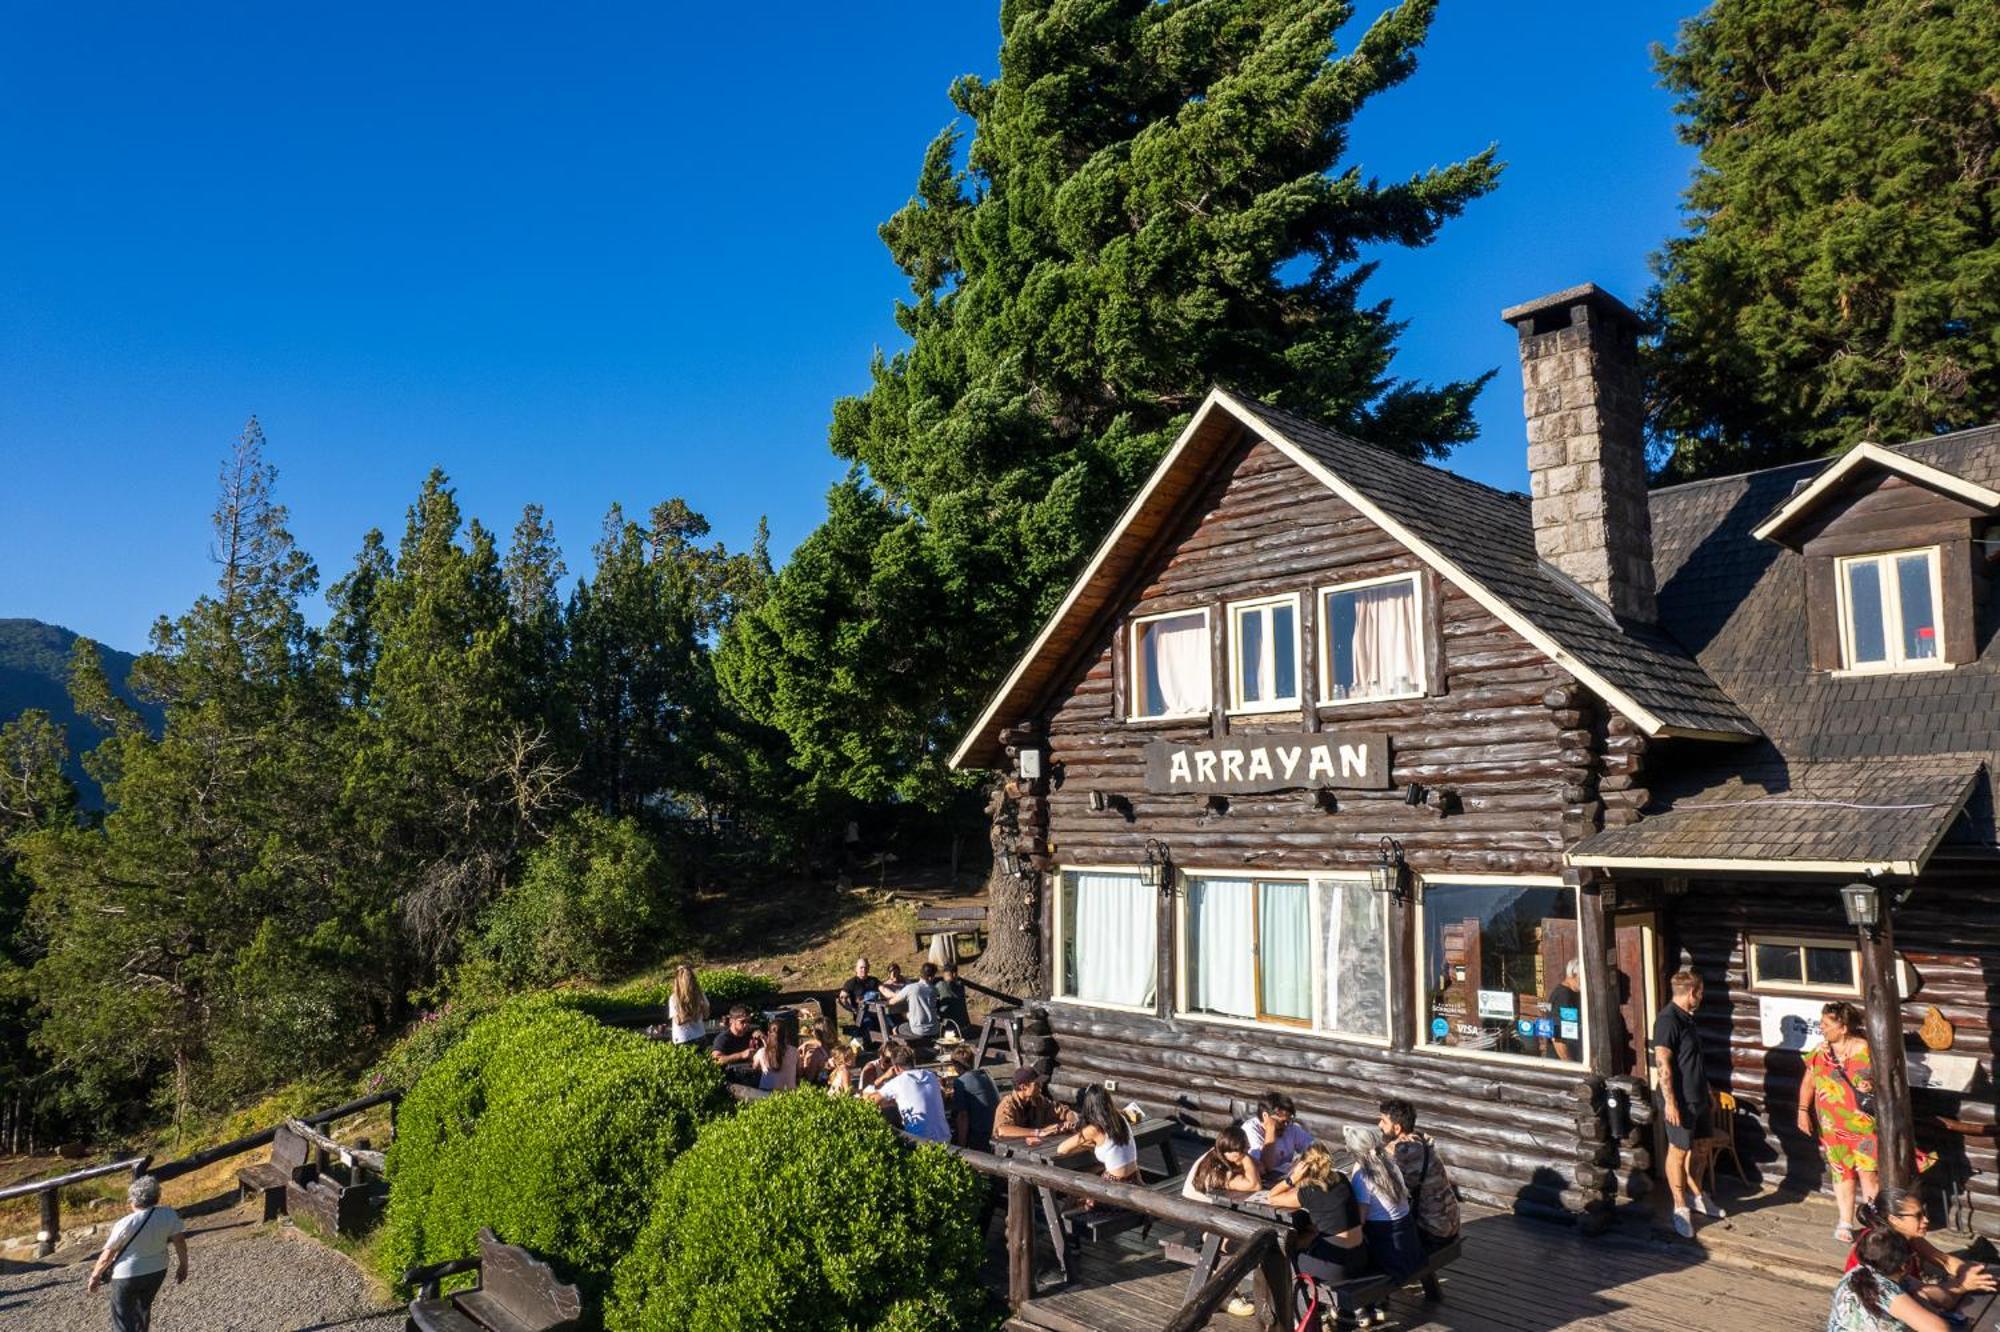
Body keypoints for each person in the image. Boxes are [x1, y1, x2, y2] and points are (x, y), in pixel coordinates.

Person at [1802, 1000, 1886, 1243]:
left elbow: (1885, 1082)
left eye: (1827, 1024)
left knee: (1868, 1174)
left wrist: (1872, 1087)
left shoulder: (1866, 1050)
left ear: (1843, 1027)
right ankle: (1845, 1221)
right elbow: (1809, 1081)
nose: (1822, 1028)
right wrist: (1802, 1110)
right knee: (1841, 1173)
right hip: (1832, 1125)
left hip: (1862, 1125)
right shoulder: (1820, 1051)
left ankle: (1874, 1221)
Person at [1847, 1188, 1997, 1314]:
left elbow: (1944, 1260)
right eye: (1918, 1216)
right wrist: (1963, 1285)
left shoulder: (1907, 1236)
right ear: (1894, 1220)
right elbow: (1919, 1297)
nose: (1926, 1220)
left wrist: (1971, 1273)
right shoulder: (1880, 1248)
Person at [1653, 968, 1722, 1237]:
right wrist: (1670, 1102)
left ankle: (1697, 1195)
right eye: (1701, 992)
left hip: (1698, 1096)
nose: (1702, 997)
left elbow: (1692, 1060)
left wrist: (1707, 1089)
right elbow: (1664, 1065)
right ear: (1692, 992)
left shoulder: (1689, 1019)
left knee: (1703, 1146)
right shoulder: (1668, 1020)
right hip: (1680, 1099)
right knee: (1678, 1149)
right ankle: (1679, 1207)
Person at [88, 1174, 187, 1332]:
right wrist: (183, 1265)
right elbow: (179, 1241)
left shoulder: (125, 1223)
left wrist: (95, 1276)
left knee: (122, 1318)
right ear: (156, 1196)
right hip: (157, 1270)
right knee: (142, 1311)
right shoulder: (169, 1214)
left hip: (127, 1274)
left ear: (134, 1200)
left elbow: (107, 1255)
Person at [1267, 1144, 1372, 1291]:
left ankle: (1301, 1306)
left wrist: (1292, 1179)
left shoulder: (1308, 1191)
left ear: (1303, 1167)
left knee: (1288, 1257)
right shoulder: (1341, 1179)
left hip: (1337, 1266)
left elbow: (1272, 1197)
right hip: (1360, 1258)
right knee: (1311, 1239)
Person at [1828, 1227, 1951, 1332]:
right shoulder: (1884, 1289)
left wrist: (1921, 1293)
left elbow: (1946, 1299)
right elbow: (1940, 1329)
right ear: (1905, 1264)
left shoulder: (1857, 1272)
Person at [1343, 1124, 1425, 1282]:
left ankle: (1366, 1302)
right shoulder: (1391, 1164)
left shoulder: (1362, 1175)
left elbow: (1360, 1219)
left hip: (1389, 1246)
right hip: (1408, 1239)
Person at [1379, 1097, 1461, 1248]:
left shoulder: (1402, 1150)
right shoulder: (1421, 1139)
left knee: (1377, 1224)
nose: (1379, 1125)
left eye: (1383, 1121)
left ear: (1397, 1128)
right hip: (1451, 1221)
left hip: (1433, 1230)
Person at [866, 1040, 951, 1143]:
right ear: (913, 1062)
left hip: (919, 1142)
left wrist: (883, 1078)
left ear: (896, 1067)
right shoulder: (931, 1076)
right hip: (945, 1138)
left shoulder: (898, 1082)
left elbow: (870, 1100)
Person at [1054, 1085, 1140, 1184]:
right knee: (1092, 1173)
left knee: (1077, 1184)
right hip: (1134, 1176)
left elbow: (1061, 1149)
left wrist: (1084, 1145)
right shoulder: (1120, 1118)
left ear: (1089, 1105)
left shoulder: (1094, 1129)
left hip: (1115, 1182)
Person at [992, 1065, 1078, 1145]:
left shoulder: (1038, 1100)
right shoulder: (1007, 1104)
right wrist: (1038, 1132)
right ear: (1023, 1087)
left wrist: (1070, 1122)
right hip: (1008, 1152)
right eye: (1036, 1084)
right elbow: (1002, 1130)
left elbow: (1067, 1112)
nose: (1041, 1086)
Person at [1242, 1090, 1312, 1183]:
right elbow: (1266, 1167)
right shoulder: (1250, 1130)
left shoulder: (1289, 1127)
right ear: (1265, 1116)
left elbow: (1313, 1147)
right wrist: (1271, 1129)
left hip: (1284, 1179)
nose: (1285, 1126)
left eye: (1288, 1121)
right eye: (1281, 1122)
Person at [1182, 1125, 1260, 1200]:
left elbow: (1263, 1168)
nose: (1249, 1148)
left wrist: (1243, 1155)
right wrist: (1245, 1157)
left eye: (1247, 1145)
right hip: (1196, 1207)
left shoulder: (1221, 1153)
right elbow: (1254, 1185)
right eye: (1244, 1147)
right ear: (1230, 1151)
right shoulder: (1218, 1170)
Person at [947, 1045, 1000, 1151]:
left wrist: (961, 1146)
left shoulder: (961, 1082)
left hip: (980, 1133)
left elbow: (963, 1116)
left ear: (957, 1065)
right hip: (994, 1127)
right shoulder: (985, 1074)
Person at [885, 962, 942, 1040]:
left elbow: (892, 1002)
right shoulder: (934, 990)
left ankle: (903, 1049)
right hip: (935, 1029)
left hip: (918, 1030)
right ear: (930, 977)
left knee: (895, 1029)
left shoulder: (911, 988)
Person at [709, 1005, 761, 1087]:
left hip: (750, 1075)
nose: (746, 1025)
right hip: (730, 1079)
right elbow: (716, 1060)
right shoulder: (723, 1039)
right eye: (742, 1022)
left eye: (748, 1021)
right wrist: (741, 1055)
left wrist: (764, 1039)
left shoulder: (751, 1033)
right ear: (732, 1021)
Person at [1545, 958, 1583, 1062]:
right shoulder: (1563, 997)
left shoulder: (1575, 993)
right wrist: (1570, 1065)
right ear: (1574, 975)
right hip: (1562, 1064)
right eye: (1583, 977)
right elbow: (1557, 1038)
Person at [753, 1016, 799, 1091]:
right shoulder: (794, 1051)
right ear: (786, 1034)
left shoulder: (761, 1052)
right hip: (790, 1095)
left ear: (768, 1033)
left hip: (766, 1095)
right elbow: (799, 1071)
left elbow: (754, 1067)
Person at [667, 965, 709, 1045]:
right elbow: (706, 1015)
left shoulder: (674, 998)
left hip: (682, 1037)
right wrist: (696, 1013)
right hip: (699, 1034)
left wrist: (689, 1016)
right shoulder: (700, 994)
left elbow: (678, 1021)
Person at [935, 961, 972, 1032]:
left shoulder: (940, 985)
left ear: (945, 974)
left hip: (949, 1027)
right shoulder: (961, 986)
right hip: (965, 1025)